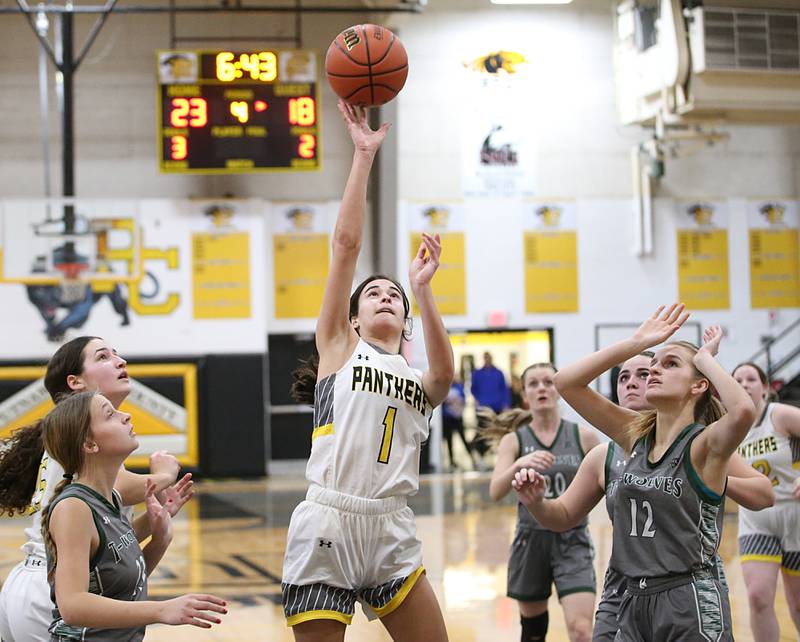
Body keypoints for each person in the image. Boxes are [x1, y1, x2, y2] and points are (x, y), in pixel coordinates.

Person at [280, 101, 452, 642]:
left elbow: (445, 370)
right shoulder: (338, 347)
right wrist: (362, 156)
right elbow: (345, 247)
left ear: (404, 322)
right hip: (327, 520)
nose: (385, 297)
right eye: (373, 294)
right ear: (352, 318)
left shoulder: (420, 380)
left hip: (391, 526)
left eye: (393, 296)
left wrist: (422, 289)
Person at [512, 351, 774, 641]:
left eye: (644, 373)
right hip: (625, 590)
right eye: (624, 376)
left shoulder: (701, 444)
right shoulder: (610, 452)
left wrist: (705, 478)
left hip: (685, 587)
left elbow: (763, 491)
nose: (634, 382)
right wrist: (535, 502)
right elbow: (561, 516)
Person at [0, 336, 192, 642]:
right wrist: (164, 475)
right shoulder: (80, 442)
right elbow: (134, 488)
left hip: (37, 581)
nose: (120, 361)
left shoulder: (94, 441)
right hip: (47, 590)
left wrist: (159, 525)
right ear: (75, 382)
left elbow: (111, 544)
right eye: (103, 357)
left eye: (116, 354)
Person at [40, 390, 227, 639]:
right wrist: (162, 609)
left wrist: (160, 538)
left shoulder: (109, 500)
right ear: (89, 444)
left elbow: (121, 587)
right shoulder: (74, 508)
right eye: (110, 415)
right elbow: (72, 606)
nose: (126, 415)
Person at [487, 362, 600, 642]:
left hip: (573, 539)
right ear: (524, 394)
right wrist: (519, 465)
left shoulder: (583, 437)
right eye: (534, 384)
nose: (542, 388)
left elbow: (607, 482)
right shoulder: (514, 441)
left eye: (548, 382)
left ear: (559, 389)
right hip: (530, 540)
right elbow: (495, 491)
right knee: (534, 632)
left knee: (582, 630)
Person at [733, 361, 800, 642]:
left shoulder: (780, 415)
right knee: (758, 597)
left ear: (765, 387)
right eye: (737, 380)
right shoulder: (729, 427)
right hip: (755, 518)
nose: (744, 384)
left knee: (797, 604)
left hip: (794, 514)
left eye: (751, 378)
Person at [442, 376, 476, 471]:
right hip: (447, 418)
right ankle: (452, 461)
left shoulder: (459, 387)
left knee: (463, 438)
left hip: (457, 417)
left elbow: (463, 400)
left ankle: (473, 458)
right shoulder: (445, 387)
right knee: (449, 440)